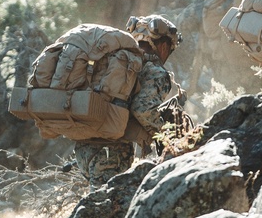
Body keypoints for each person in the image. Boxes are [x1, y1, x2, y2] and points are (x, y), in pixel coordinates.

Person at [73, 14, 183, 187]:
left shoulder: (113, 62)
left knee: (98, 198)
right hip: (112, 150)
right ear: (163, 46)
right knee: (107, 204)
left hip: (83, 144)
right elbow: (142, 109)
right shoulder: (154, 71)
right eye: (170, 48)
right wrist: (167, 137)